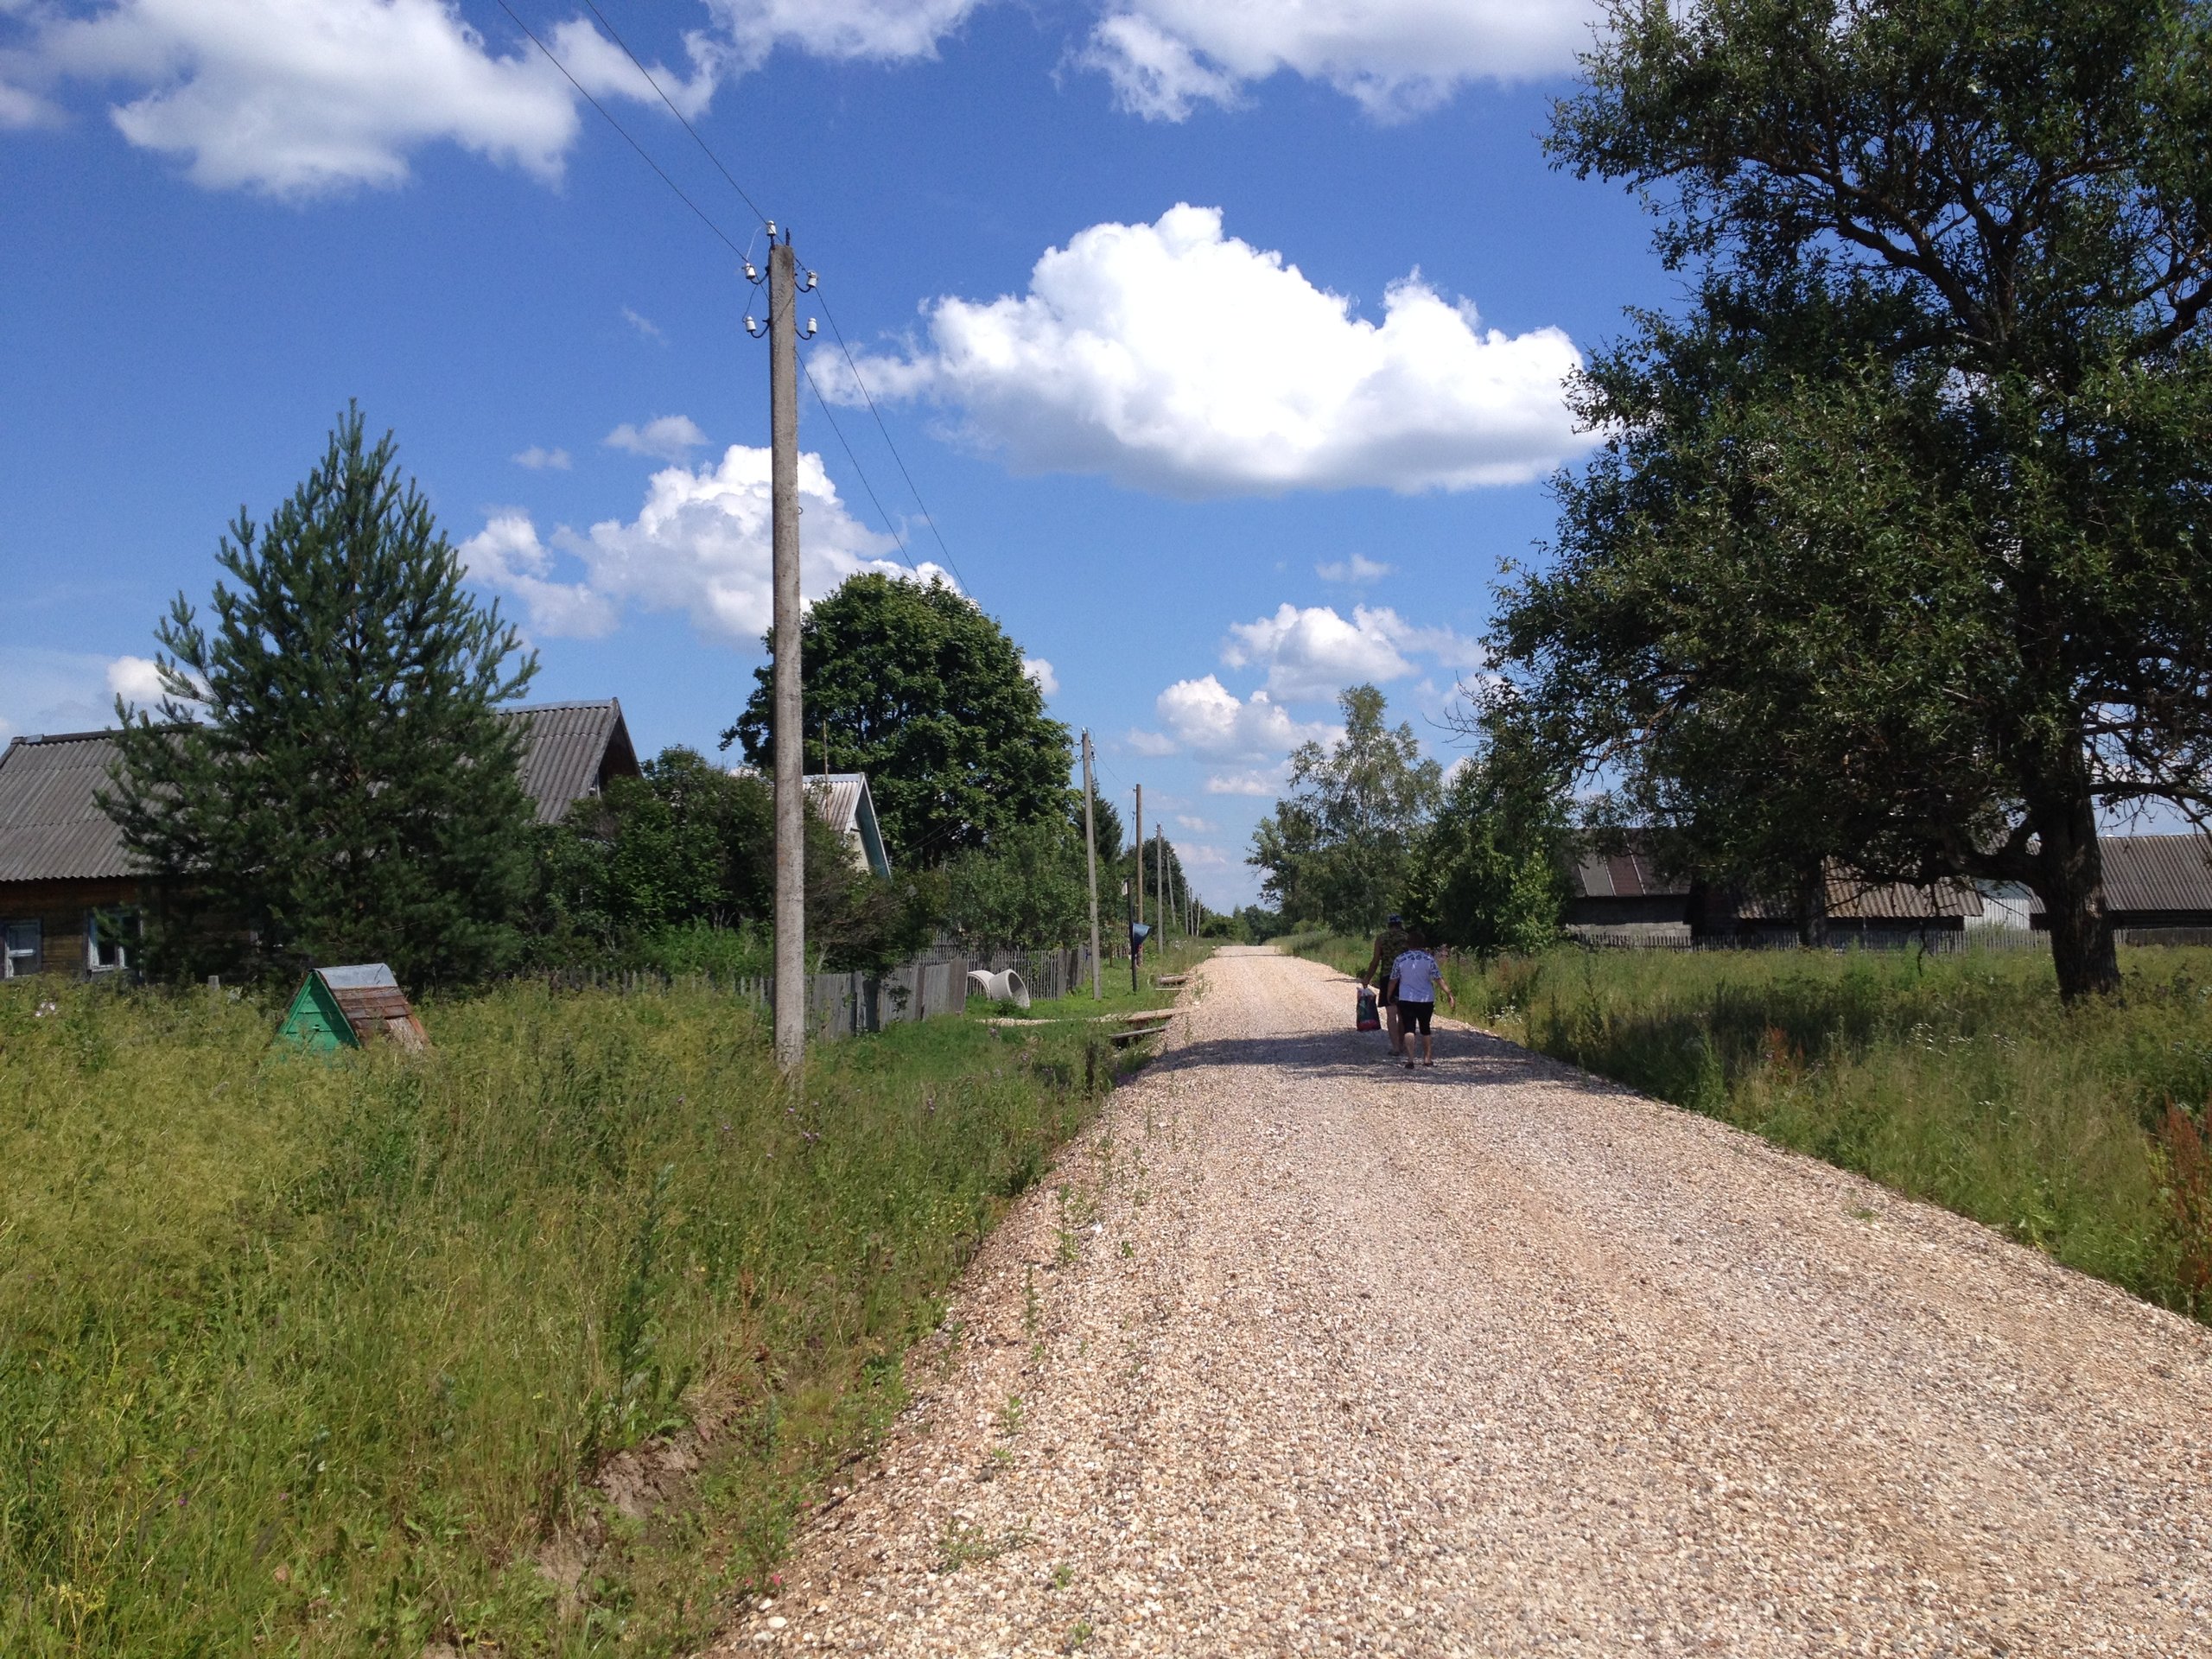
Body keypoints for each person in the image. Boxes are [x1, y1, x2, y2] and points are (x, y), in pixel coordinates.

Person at [1387, 935, 1454, 1069]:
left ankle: (1410, 1059)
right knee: (1425, 1028)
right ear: (1422, 944)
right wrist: (1449, 993)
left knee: (1409, 1028)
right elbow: (1438, 978)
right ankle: (1427, 1058)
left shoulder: (1400, 959)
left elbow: (1393, 979)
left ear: (1408, 943)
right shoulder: (1429, 959)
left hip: (1406, 998)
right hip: (1426, 999)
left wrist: (1389, 994)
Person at [1359, 913, 1413, 1057]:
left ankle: (1395, 1047)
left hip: (1387, 977)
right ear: (1401, 924)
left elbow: (1375, 961)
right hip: (1405, 977)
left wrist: (1367, 978)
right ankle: (1402, 1045)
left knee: (1391, 1013)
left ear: (1389, 925)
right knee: (1403, 1014)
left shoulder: (1381, 938)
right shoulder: (1407, 938)